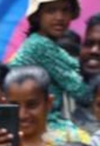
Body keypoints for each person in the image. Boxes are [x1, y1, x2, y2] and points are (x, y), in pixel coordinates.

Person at [10, 0, 92, 130]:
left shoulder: (41, 43)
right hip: (40, 123)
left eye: (65, 10)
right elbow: (82, 92)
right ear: (37, 16)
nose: (59, 17)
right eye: (51, 11)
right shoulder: (40, 45)